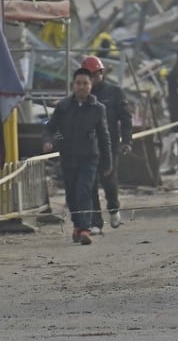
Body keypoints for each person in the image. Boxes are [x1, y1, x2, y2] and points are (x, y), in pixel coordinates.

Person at [42, 68, 112, 246]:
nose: (82, 87)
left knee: (84, 190)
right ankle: (77, 225)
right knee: (72, 194)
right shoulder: (63, 107)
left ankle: (84, 229)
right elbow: (51, 129)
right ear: (73, 85)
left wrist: (107, 162)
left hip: (89, 158)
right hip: (68, 157)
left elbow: (104, 137)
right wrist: (51, 141)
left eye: (85, 83)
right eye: (78, 83)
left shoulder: (98, 109)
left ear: (91, 85)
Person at [81, 56, 133, 233]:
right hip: (88, 147)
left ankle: (113, 208)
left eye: (93, 76)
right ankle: (96, 222)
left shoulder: (115, 92)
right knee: (91, 184)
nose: (91, 80)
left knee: (109, 181)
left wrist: (126, 141)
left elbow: (126, 119)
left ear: (100, 73)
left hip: (109, 147)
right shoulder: (83, 96)